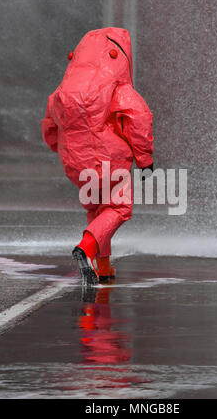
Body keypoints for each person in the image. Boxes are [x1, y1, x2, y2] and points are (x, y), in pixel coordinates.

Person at [41, 27, 154, 285]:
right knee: (118, 207)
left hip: (75, 163)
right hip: (108, 161)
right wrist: (145, 159)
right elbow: (138, 120)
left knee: (96, 208)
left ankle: (102, 266)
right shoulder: (116, 85)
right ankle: (85, 248)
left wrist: (61, 149)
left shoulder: (63, 90)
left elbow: (49, 127)